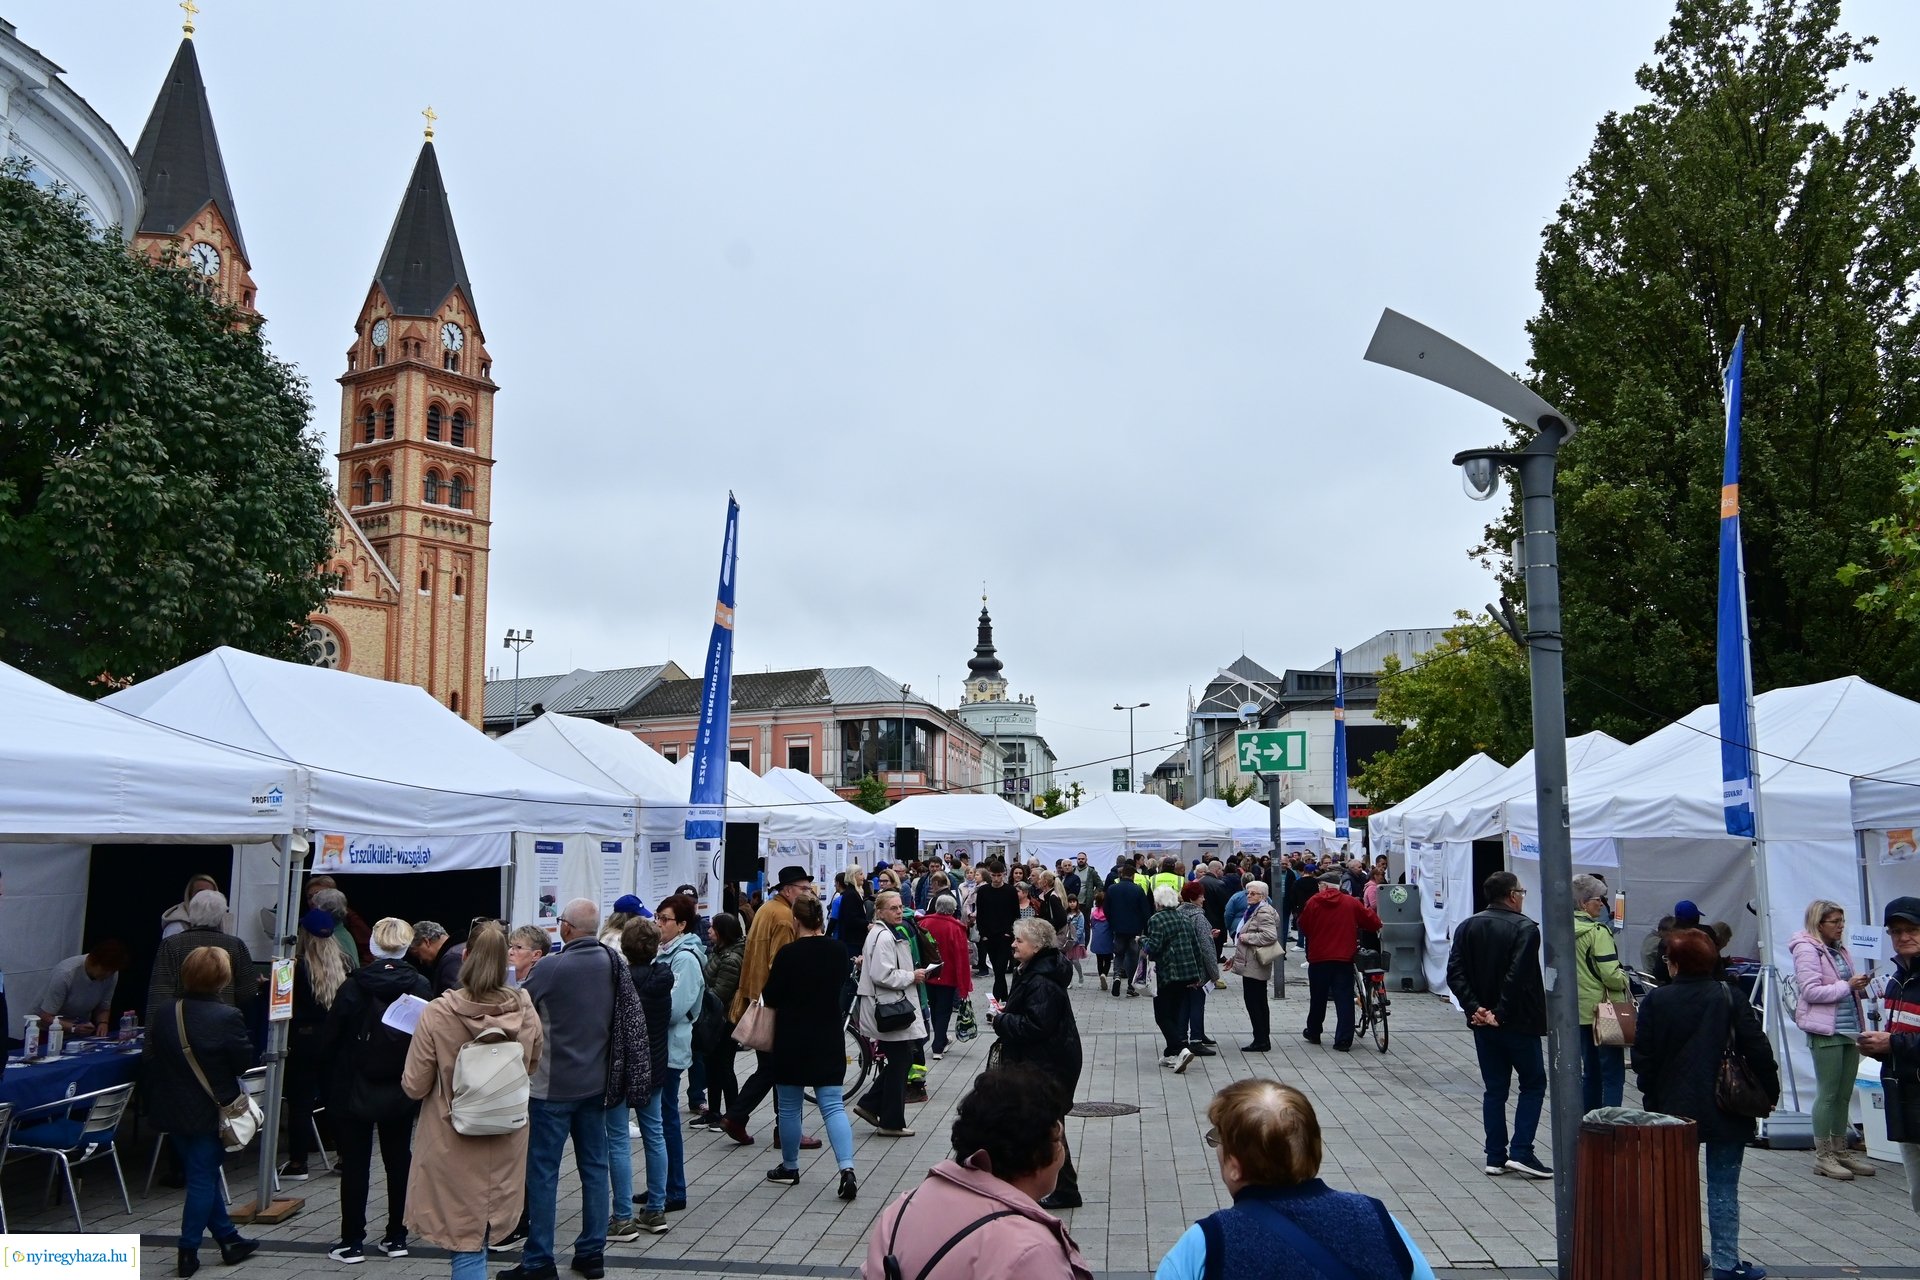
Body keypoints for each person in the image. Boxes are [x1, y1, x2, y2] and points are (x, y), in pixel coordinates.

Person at [1155, 1080, 1436, 1280]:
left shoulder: (1207, 1244)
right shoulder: (1378, 1219)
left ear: (1234, 1167)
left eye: (1218, 1139)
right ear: (1315, 1151)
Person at [401, 924, 543, 1280]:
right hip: (506, 1133)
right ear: (504, 963)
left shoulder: (438, 1012)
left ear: (464, 958)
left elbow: (415, 1085)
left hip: (452, 1138)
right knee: (480, 1233)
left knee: (465, 1241)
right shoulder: (524, 1008)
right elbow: (532, 1064)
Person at [1635, 929, 1778, 1280]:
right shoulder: (1728, 996)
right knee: (1723, 1185)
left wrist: (1651, 1098)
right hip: (1726, 1104)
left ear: (1676, 964)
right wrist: (1769, 1093)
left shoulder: (1657, 1001)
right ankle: (1727, 1263)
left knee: (1675, 1186)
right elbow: (1757, 1047)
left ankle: (1681, 1253)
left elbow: (1644, 1058)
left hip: (1672, 1107)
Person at [863, 1065, 1091, 1280]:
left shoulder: (903, 1207)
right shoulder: (1032, 1251)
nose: (1063, 1153)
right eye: (1058, 1140)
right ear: (1035, 1154)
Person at [508, 899, 620, 1280]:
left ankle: (539, 1259)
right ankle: (592, 1252)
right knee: (594, 1168)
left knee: (542, 1173)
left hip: (552, 1086)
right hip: (597, 1083)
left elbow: (519, 1006)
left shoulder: (551, 967)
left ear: (567, 928)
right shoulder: (612, 963)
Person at [319, 917, 433, 1262]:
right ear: (405, 945)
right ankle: (397, 1236)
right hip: (402, 1084)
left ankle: (352, 1240)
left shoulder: (352, 986)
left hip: (353, 1086)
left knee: (355, 1164)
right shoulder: (421, 986)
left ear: (372, 945)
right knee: (399, 1161)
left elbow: (330, 1041)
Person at [146, 946, 260, 1278]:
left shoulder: (168, 1011)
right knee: (202, 1178)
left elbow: (156, 1053)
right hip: (211, 1109)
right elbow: (242, 1062)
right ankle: (188, 1250)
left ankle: (228, 1239)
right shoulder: (227, 1017)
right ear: (222, 979)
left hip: (172, 1105)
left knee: (201, 1174)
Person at [1446, 871, 1550, 1179]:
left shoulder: (1468, 925)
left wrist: (1475, 1008)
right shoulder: (1525, 928)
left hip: (1484, 1022)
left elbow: (1455, 973)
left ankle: (1495, 1154)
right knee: (1533, 1083)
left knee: (1495, 1088)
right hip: (1517, 1021)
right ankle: (1521, 1151)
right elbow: (1517, 976)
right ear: (1512, 895)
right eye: (1521, 891)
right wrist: (1498, 1013)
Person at [761, 892, 859, 1200]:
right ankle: (847, 1168)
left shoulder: (788, 955)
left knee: (790, 1106)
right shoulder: (838, 950)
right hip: (828, 1034)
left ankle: (790, 1166)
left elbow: (772, 996)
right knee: (832, 1104)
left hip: (792, 1036)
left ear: (796, 920)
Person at [720, 866, 821, 1149]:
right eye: (803, 889)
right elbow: (781, 963)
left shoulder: (767, 909)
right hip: (773, 1004)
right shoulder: (784, 916)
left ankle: (765, 1124)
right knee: (778, 1068)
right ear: (788, 889)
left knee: (773, 1068)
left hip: (758, 997)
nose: (808, 893)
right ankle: (755, 1121)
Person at [992, 917, 1083, 1210]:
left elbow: (1035, 1026)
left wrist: (1002, 1020)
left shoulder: (1042, 980)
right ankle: (1047, 1182)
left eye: (1019, 940)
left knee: (1049, 1125)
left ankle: (1065, 1189)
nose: (1013, 944)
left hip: (1048, 1064)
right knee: (1045, 1124)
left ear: (1037, 946)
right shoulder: (1034, 971)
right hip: (1046, 1060)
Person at [1790, 899, 1876, 1180]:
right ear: (1819, 923)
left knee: (1843, 1093)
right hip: (1825, 1030)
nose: (1841, 927)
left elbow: (1839, 989)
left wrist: (1861, 988)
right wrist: (1847, 986)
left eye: (1842, 921)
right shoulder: (1806, 949)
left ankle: (1840, 1150)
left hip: (1849, 1028)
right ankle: (1823, 1154)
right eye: (1835, 922)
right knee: (1828, 1094)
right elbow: (1811, 991)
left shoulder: (1838, 949)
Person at [1859, 895, 1920, 1216]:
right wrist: (1877, 1048)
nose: (1903, 937)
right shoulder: (1897, 980)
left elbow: (1899, 1040)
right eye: (1896, 931)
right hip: (1904, 1095)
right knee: (1917, 1195)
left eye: (1912, 929)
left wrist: (1892, 1044)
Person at [852, 889, 929, 1136]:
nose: (899, 911)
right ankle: (889, 1120)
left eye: (900, 907)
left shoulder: (880, 933)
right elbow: (881, 974)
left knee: (901, 1059)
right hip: (890, 1007)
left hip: (888, 1005)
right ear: (881, 911)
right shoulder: (883, 936)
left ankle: (874, 1107)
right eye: (893, 908)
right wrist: (912, 976)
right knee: (901, 1060)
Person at [613, 918, 671, 1242]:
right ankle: (656, 1208)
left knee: (619, 1139)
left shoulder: (616, 981)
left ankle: (622, 1216)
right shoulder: (664, 977)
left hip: (619, 1067)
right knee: (655, 1134)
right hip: (654, 1065)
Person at [281, 907, 347, 1181]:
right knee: (334, 1099)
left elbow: (281, 1006)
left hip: (303, 1040)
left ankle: (298, 1163)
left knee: (300, 1102)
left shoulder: (292, 968)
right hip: (332, 1039)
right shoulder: (340, 966)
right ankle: (345, 1156)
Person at [652, 895, 707, 1215]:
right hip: (661, 1044)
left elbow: (675, 1009)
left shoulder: (684, 958)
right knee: (659, 1119)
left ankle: (674, 1189)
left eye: (664, 919)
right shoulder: (667, 952)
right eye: (658, 917)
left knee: (666, 1118)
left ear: (682, 925)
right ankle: (662, 1186)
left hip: (670, 1047)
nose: (658, 924)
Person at [1298, 871, 1382, 1053]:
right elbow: (1373, 922)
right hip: (1344, 957)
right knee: (1344, 998)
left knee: (1318, 997)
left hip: (1319, 957)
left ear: (1324, 886)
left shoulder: (1313, 902)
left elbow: (1303, 925)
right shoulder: (1351, 902)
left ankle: (1314, 1032)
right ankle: (1343, 1040)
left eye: (1319, 885)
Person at [148, 889, 255, 1023]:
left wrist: (153, 1040)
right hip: (224, 1025)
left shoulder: (171, 945)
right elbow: (247, 994)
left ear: (191, 912)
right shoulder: (235, 945)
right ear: (222, 915)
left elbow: (159, 995)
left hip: (181, 1028)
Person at [1573, 873, 1631, 1111]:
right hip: (1605, 1012)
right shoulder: (1598, 932)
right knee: (1613, 1073)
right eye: (1599, 899)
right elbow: (1610, 975)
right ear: (1584, 903)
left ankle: (1589, 1120)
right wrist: (1624, 978)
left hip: (1579, 1010)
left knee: (1591, 1071)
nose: (1603, 904)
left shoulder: (1564, 929)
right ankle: (1610, 1125)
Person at [1144, 885, 1209, 1072]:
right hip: (1186, 974)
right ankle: (1170, 1053)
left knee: (1162, 1016)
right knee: (1174, 1013)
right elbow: (1196, 946)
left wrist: (1142, 942)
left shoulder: (1157, 919)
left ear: (1158, 902)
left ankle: (1181, 1050)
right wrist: (1198, 975)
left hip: (1167, 974)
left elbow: (1153, 947)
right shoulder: (1184, 917)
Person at [690, 913, 744, 1130]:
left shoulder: (731, 958)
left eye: (713, 928)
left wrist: (700, 997)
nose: (709, 931)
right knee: (712, 1065)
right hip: (715, 1019)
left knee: (724, 1067)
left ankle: (732, 1114)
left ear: (723, 932)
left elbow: (720, 992)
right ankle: (713, 1113)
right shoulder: (720, 952)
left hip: (724, 1020)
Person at [1230, 881, 1282, 1052]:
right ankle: (1260, 1037)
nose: (1249, 896)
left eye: (1253, 893)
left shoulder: (1263, 911)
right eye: (1248, 893)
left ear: (1263, 896)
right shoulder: (1254, 910)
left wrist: (1246, 938)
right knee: (1256, 1001)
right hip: (1251, 962)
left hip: (1256, 963)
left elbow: (1269, 936)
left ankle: (1261, 1040)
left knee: (1255, 1002)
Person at [921, 893, 973, 1058]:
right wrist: (964, 981)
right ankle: (938, 1046)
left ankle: (941, 1039)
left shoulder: (923, 923)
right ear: (953, 909)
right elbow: (961, 956)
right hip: (948, 975)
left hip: (928, 973)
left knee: (934, 1007)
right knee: (944, 1010)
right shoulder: (956, 928)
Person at [37, 940, 129, 1032]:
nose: (108, 975)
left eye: (112, 971)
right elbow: (45, 1017)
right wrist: (74, 1027)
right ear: (93, 962)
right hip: (45, 1031)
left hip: (78, 1029)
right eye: (105, 970)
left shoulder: (112, 974)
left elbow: (104, 1006)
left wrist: (103, 1023)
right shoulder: (65, 974)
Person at [1176, 882, 1221, 1050]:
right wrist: (1214, 973)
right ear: (1193, 898)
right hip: (1197, 968)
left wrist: (1209, 935)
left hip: (1183, 967)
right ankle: (1196, 1040)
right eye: (1201, 895)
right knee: (1196, 1003)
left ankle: (1182, 1038)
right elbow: (1206, 948)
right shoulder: (1198, 917)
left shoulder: (1179, 914)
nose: (1204, 898)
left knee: (1184, 1004)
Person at [974, 861, 1020, 1002]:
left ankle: (995, 1002)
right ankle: (1005, 999)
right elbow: (980, 914)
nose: (996, 878)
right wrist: (983, 934)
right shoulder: (983, 891)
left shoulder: (1011, 891)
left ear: (1004, 874)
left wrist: (1010, 932)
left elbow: (1015, 914)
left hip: (1005, 936)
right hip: (989, 936)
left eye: (999, 875)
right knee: (997, 970)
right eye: (993, 875)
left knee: (999, 969)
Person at [1104, 862, 1151, 999]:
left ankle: (1117, 976)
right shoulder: (1138, 890)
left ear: (1121, 874)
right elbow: (1145, 911)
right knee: (1133, 957)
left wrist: (1112, 922)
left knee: (1118, 954)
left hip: (1118, 928)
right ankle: (1131, 986)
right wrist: (1145, 928)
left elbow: (1106, 909)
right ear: (1133, 876)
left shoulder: (1112, 889)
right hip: (1134, 930)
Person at [160, 874, 222, 940]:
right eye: (200, 892)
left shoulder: (223, 924)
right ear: (189, 896)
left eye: (210, 893)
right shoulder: (176, 926)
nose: (205, 896)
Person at [408, 920, 462, 997]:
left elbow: (455, 1001)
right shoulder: (461, 949)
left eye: (418, 954)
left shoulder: (452, 959)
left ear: (426, 942)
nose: (421, 961)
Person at [1089, 893, 1113, 982]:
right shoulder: (1109, 914)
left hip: (1096, 941)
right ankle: (1104, 974)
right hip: (1107, 940)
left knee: (1099, 960)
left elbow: (1092, 925)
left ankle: (1100, 976)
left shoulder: (1094, 913)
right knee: (1107, 960)